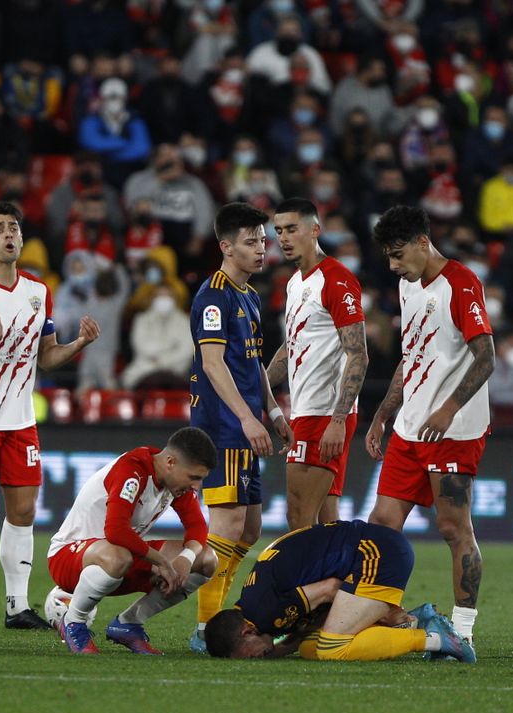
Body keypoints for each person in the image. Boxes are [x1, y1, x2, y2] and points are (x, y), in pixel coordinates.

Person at [0, 202, 101, 631]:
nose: (8, 235)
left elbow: (47, 357)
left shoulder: (39, 291)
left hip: (20, 423)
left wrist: (77, 345)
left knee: (23, 512)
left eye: (13, 228)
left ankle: (17, 606)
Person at [364, 205, 494, 648]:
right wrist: (384, 412)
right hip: (410, 424)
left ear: (423, 242)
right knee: (381, 523)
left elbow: (486, 356)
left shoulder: (461, 282)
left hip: (454, 430)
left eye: (399, 255)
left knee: (453, 528)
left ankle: (463, 631)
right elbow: (412, 354)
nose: (394, 266)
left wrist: (448, 409)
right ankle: (375, 610)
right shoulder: (408, 286)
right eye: (388, 256)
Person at [188, 202, 292, 652]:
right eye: (251, 242)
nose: (261, 249)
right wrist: (249, 418)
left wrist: (273, 411)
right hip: (224, 428)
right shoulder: (214, 295)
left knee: (248, 531)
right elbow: (213, 364)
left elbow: (251, 367)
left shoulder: (248, 295)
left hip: (248, 425)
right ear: (226, 246)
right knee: (227, 526)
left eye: (263, 241)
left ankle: (214, 617)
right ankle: (207, 626)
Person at [47, 427, 220, 656]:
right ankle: (74, 621)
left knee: (207, 558)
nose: (196, 486)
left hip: (122, 561)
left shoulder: (174, 481)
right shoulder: (133, 470)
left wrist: (185, 560)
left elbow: (197, 527)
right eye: (194, 477)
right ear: (170, 462)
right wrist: (162, 561)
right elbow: (116, 531)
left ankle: (128, 624)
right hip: (68, 559)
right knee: (118, 555)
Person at [202, 520, 473, 663]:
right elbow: (303, 633)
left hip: (376, 554)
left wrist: (384, 614)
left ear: (246, 632)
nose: (256, 660)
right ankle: (417, 619)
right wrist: (280, 649)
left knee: (331, 648)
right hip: (369, 553)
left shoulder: (265, 611)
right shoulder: (254, 608)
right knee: (311, 648)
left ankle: (436, 639)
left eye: (249, 656)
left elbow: (331, 589)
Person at [267, 197, 368, 529]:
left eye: (292, 229)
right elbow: (293, 344)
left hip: (324, 414)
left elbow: (358, 353)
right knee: (326, 521)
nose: (283, 237)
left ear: (314, 230)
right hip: (306, 413)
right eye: (279, 230)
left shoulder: (336, 279)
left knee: (298, 518)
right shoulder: (296, 282)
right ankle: (336, 582)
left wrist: (338, 420)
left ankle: (301, 583)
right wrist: (261, 389)